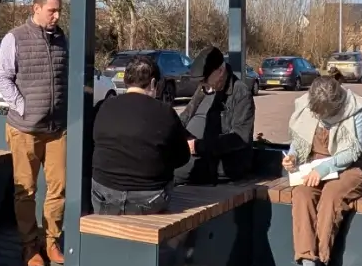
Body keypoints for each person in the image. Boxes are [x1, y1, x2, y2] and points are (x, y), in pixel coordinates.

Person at [0, 0, 68, 266]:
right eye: (52, 10)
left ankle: (51, 242)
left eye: (59, 10)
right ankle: (29, 247)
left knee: (59, 186)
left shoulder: (62, 39)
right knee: (25, 190)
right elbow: (1, 78)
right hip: (24, 129)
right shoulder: (15, 38)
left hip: (57, 128)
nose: (56, 16)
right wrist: (23, 107)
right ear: (35, 9)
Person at [283, 72, 362, 266]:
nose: (319, 116)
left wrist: (323, 170)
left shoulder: (355, 108)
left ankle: (320, 261)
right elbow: (299, 141)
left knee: (331, 196)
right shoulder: (306, 105)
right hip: (313, 165)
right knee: (301, 194)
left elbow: (353, 150)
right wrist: (292, 157)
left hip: (347, 168)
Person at [89, 55, 192, 214]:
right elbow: (182, 157)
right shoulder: (164, 112)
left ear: (126, 81)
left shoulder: (104, 106)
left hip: (103, 195)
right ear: (152, 83)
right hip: (150, 199)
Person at [177, 47, 256, 183]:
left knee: (172, 172)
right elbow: (186, 116)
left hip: (222, 163)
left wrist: (198, 146)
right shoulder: (205, 88)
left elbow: (239, 138)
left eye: (205, 80)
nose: (203, 84)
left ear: (220, 71)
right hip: (195, 153)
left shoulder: (241, 93)